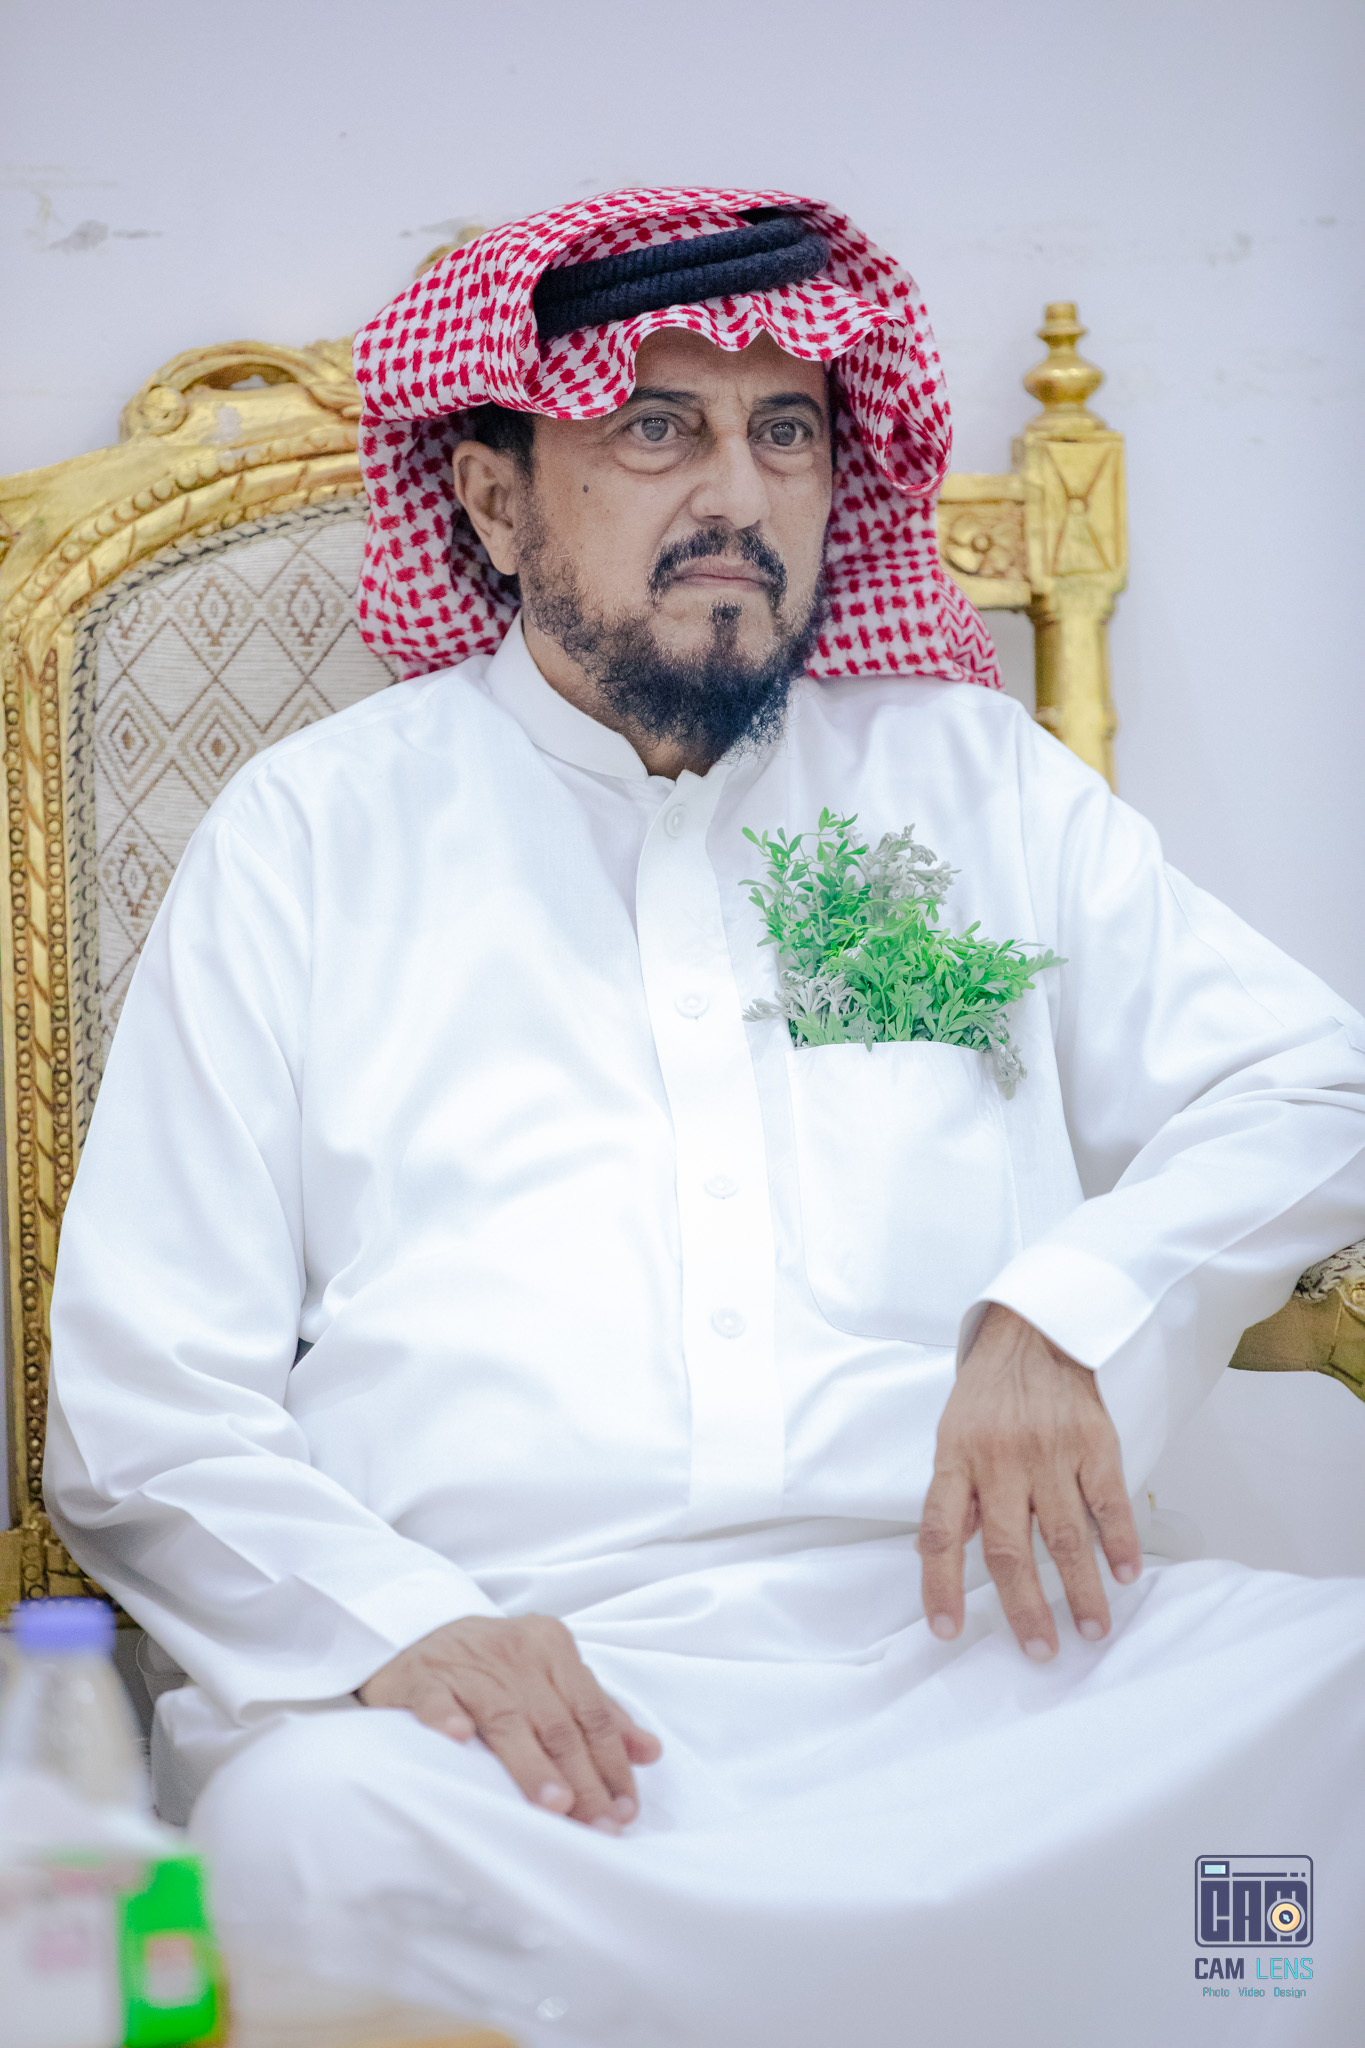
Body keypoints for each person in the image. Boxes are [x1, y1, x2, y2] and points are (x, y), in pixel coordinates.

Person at [45, 187, 1365, 2047]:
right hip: (539, 1714)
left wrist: (1069, 1307)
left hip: (1003, 1669)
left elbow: (1313, 1083)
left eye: (785, 432)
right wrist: (400, 1628)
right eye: (655, 428)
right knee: (312, 1844)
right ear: (493, 500)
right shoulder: (311, 838)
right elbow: (145, 1400)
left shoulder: (967, 780)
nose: (737, 493)